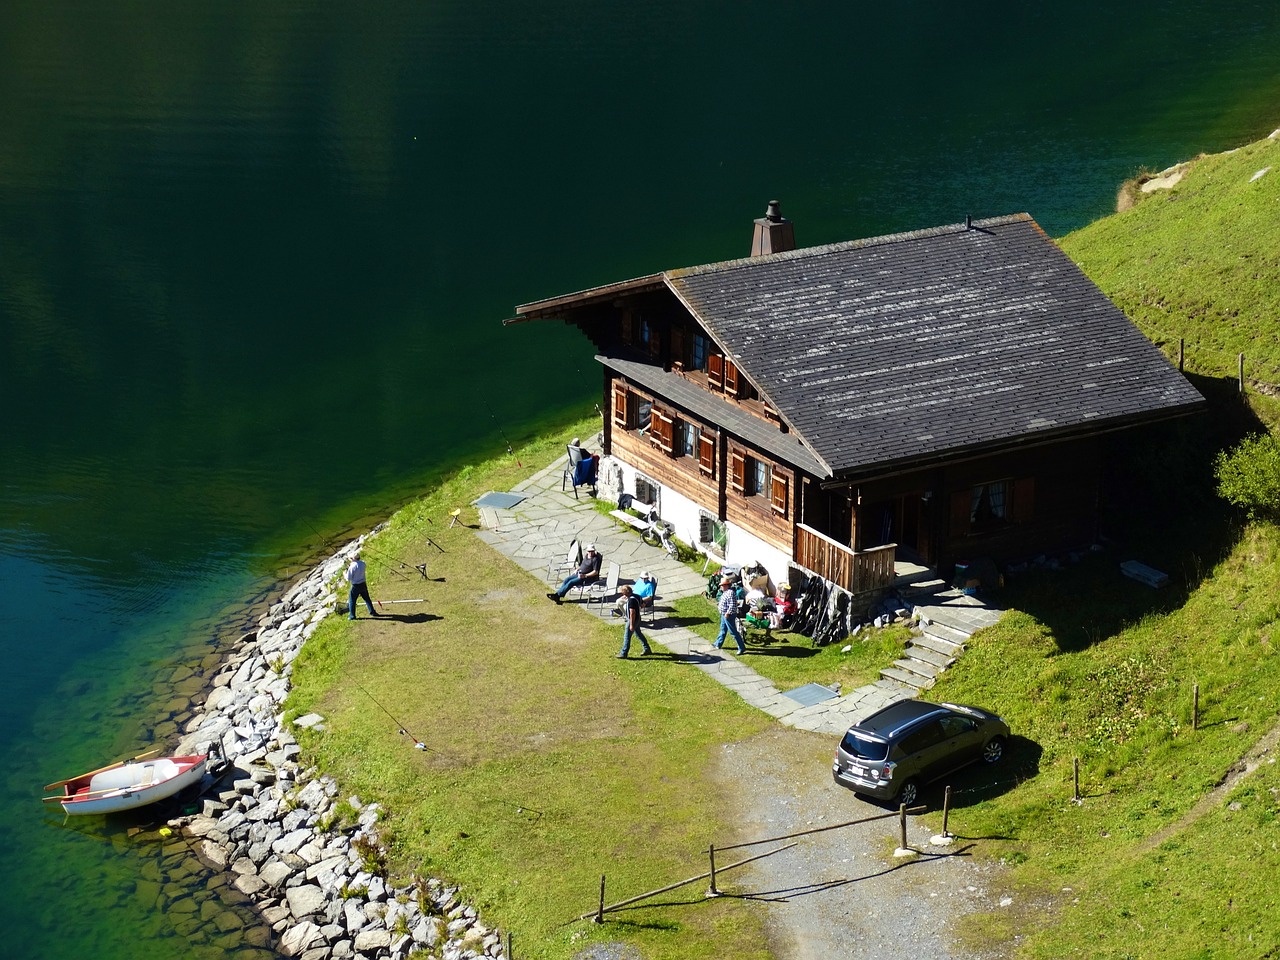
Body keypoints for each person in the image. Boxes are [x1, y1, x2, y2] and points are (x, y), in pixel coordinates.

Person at [616, 584, 653, 658]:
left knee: (627, 636)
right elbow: (642, 604)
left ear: (626, 593)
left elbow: (632, 612)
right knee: (638, 634)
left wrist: (631, 625)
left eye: (623, 593)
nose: (622, 595)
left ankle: (624, 653)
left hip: (633, 620)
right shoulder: (637, 596)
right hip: (638, 618)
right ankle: (647, 648)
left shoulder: (631, 600)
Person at [713, 577, 746, 655]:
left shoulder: (730, 593)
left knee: (733, 632)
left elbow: (732, 605)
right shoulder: (725, 592)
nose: (721, 587)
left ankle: (741, 647)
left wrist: (728, 613)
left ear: (727, 585)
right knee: (723, 629)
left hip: (728, 616)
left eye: (722, 585)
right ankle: (718, 643)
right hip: (724, 614)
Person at [345, 550, 378, 620]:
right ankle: (372, 611)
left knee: (352, 601)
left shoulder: (352, 567)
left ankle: (352, 616)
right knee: (367, 599)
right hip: (363, 584)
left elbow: (348, 578)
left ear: (353, 559)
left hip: (355, 586)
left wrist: (345, 573)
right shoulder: (363, 563)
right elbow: (357, 567)